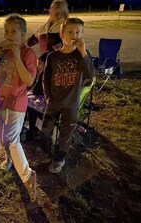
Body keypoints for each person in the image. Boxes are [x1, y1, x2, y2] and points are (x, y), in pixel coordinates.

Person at [0, 14, 37, 202]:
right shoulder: (4, 51)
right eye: (6, 31)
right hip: (1, 99)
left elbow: (29, 80)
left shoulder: (27, 53)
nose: (9, 35)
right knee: (1, 135)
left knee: (11, 138)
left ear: (23, 35)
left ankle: (27, 174)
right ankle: (9, 159)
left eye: (14, 31)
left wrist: (17, 56)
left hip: (17, 102)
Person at [41, 18, 95, 174]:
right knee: (45, 131)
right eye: (70, 32)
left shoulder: (81, 56)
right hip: (54, 102)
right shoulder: (53, 56)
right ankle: (46, 153)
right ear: (62, 34)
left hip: (71, 104)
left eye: (78, 32)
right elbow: (45, 79)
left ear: (82, 34)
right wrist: (48, 97)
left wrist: (84, 51)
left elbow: (91, 75)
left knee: (65, 134)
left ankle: (59, 159)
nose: (74, 35)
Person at [23, 0, 69, 142]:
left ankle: (39, 129)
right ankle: (32, 126)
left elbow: (65, 47)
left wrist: (45, 57)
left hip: (55, 69)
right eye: (51, 7)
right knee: (31, 91)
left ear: (60, 10)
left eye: (54, 8)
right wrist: (23, 46)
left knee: (38, 95)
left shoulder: (64, 26)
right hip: (42, 67)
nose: (50, 9)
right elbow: (34, 39)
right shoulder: (47, 25)